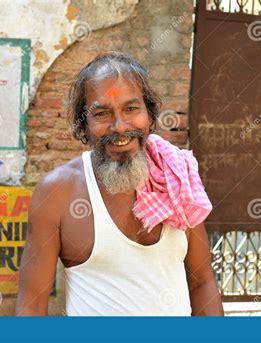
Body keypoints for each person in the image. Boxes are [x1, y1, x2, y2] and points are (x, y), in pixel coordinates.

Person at [16, 52, 224, 316]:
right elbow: (32, 305)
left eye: (131, 109)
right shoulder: (58, 192)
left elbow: (202, 282)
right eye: (102, 113)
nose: (120, 126)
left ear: (149, 115)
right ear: (84, 124)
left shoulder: (177, 177)